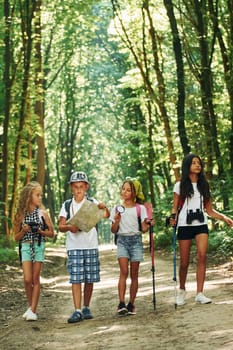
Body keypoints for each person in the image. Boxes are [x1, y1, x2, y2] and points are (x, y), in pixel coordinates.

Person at [170, 154, 233, 306]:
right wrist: (173, 219)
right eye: (193, 163)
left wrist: (224, 218)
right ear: (187, 166)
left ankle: (199, 293)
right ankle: (182, 290)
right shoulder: (179, 185)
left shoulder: (204, 185)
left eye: (199, 163)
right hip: (184, 225)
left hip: (201, 225)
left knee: (202, 256)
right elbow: (175, 207)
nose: (197, 165)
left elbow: (209, 210)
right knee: (184, 262)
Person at [58, 171, 110, 323]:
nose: (78, 190)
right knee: (76, 279)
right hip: (74, 246)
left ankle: (86, 306)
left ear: (86, 187)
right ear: (71, 188)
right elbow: (60, 225)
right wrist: (69, 227)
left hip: (90, 245)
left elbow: (106, 215)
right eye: (75, 187)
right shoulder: (67, 205)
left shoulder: (92, 202)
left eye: (81, 186)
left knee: (89, 278)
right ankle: (77, 310)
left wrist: (103, 207)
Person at [14, 181, 54, 321]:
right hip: (25, 246)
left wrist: (41, 231)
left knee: (36, 278)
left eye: (41, 195)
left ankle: (33, 310)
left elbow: (51, 233)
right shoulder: (20, 215)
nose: (40, 197)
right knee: (27, 279)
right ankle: (30, 306)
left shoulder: (43, 213)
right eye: (37, 195)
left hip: (38, 246)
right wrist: (23, 230)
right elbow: (16, 237)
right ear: (29, 196)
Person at [110, 179, 151, 316]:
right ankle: (121, 303)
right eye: (123, 189)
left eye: (129, 190)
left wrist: (149, 223)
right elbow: (114, 230)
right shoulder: (116, 209)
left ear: (134, 193)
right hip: (122, 240)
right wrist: (116, 221)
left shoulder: (141, 209)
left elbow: (144, 229)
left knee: (134, 274)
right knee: (123, 272)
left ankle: (131, 303)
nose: (125, 192)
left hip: (136, 241)